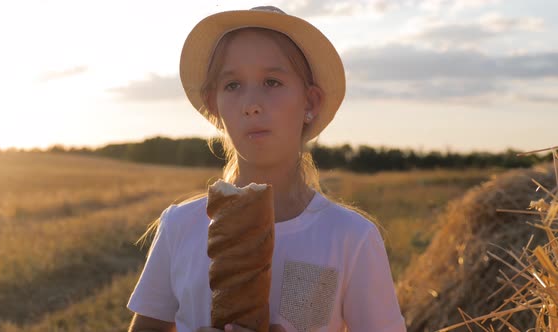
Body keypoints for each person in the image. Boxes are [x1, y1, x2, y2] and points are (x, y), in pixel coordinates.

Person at [127, 5, 406, 332]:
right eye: (232, 85)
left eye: (272, 82)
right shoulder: (180, 227)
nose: (251, 104)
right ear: (213, 104)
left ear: (310, 103)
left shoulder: (349, 237)